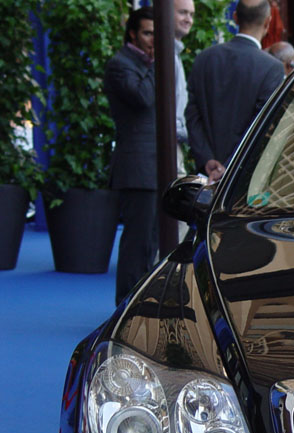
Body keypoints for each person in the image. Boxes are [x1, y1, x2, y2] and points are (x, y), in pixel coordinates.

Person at [185, 0, 283, 181]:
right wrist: (230, 166)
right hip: (244, 178)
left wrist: (207, 159)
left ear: (235, 17)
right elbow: (261, 125)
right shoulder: (272, 68)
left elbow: (192, 115)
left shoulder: (204, 58)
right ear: (268, 22)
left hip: (206, 172)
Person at [104, 6, 157, 304]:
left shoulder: (142, 64)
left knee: (150, 243)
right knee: (137, 244)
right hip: (137, 167)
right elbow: (143, 98)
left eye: (157, 34)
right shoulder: (120, 64)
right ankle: (126, 307)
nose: (153, 40)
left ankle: (141, 304)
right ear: (133, 34)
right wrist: (159, 63)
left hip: (153, 166)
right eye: (148, 33)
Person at [173, 0, 195, 176]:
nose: (188, 19)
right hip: (167, 146)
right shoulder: (164, 55)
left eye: (191, 14)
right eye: (182, 12)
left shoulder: (175, 53)